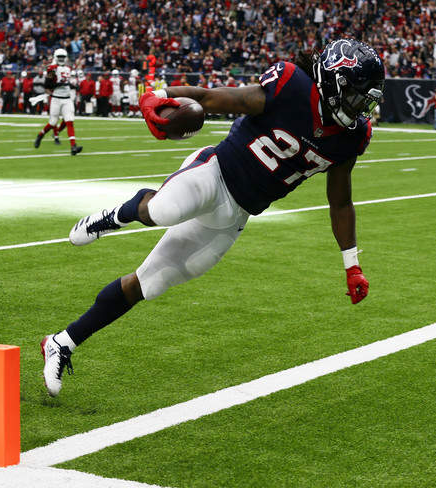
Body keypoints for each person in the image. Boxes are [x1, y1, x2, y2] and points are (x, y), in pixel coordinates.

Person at [40, 38, 383, 397]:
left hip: (236, 215)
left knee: (151, 283)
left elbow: (341, 202)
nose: (360, 107)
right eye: (357, 96)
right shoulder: (291, 85)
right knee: (163, 209)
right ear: (333, 81)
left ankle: (62, 342)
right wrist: (160, 94)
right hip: (215, 172)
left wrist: (352, 264)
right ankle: (112, 217)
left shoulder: (351, 137)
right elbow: (212, 98)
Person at [33, 48, 83, 156]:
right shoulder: (52, 68)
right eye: (59, 57)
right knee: (53, 123)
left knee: (69, 121)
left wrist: (73, 86)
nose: (61, 59)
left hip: (67, 99)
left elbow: (66, 83)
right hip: (56, 98)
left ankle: (73, 147)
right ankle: (40, 135)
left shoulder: (68, 69)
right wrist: (59, 85)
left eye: (63, 57)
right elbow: (47, 85)